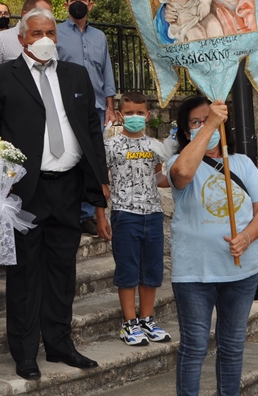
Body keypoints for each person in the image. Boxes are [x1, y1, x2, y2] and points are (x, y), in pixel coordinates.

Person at [0, 8, 110, 380]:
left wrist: (100, 182)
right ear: (22, 38)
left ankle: (59, 343)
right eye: (37, 32)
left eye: (50, 32)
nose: (45, 39)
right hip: (25, 191)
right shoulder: (1, 76)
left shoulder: (76, 74)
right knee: (24, 274)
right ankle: (24, 352)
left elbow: (91, 131)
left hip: (68, 187)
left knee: (61, 271)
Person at [167, 96, 258, 396]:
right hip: (194, 274)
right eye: (196, 122)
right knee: (195, 346)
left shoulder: (242, 163)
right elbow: (182, 175)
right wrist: (210, 123)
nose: (206, 126)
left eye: (211, 120)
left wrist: (247, 237)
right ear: (187, 132)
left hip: (240, 273)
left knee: (232, 345)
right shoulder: (177, 162)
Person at [105, 91, 171, 346]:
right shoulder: (110, 145)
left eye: (139, 113)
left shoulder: (155, 146)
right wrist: (102, 211)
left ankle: (147, 319)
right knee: (128, 269)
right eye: (129, 113)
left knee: (151, 269)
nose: (135, 117)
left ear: (148, 115)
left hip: (152, 214)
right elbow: (102, 178)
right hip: (124, 214)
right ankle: (129, 323)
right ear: (120, 115)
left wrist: (178, 178)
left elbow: (158, 177)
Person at [56, 0, 117, 237]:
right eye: (73, 0)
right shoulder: (56, 33)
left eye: (83, 0)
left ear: (90, 5)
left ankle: (87, 214)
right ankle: (67, 211)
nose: (78, 3)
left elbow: (106, 71)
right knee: (70, 158)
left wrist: (111, 106)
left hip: (97, 108)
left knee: (93, 163)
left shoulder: (100, 37)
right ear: (66, 5)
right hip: (66, 107)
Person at [0, 0, 53, 108]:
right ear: (25, 15)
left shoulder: (50, 43)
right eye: (42, 14)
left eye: (50, 15)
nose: (47, 19)